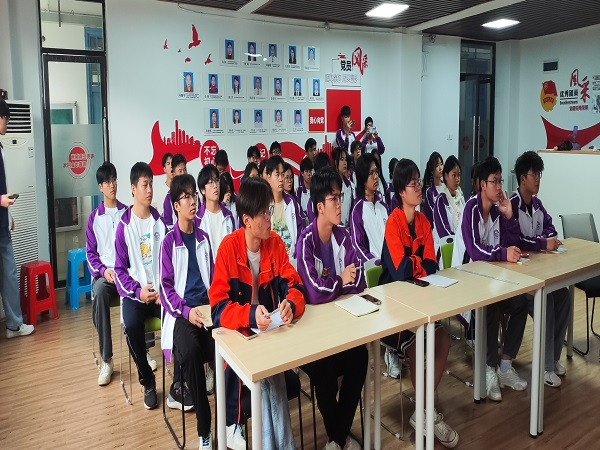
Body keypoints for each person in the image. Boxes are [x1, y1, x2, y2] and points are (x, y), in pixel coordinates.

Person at [209, 177, 305, 450]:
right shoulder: (228, 249)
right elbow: (218, 310)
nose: (269, 217)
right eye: (264, 212)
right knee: (266, 382)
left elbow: (295, 287)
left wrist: (291, 304)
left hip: (269, 336)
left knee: (269, 380)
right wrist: (251, 316)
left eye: (269, 210)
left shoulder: (275, 244)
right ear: (247, 220)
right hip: (239, 340)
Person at [379, 158, 458, 448]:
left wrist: (416, 263)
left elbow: (432, 264)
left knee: (443, 338)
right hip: (393, 308)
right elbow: (400, 272)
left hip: (421, 300)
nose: (419, 188)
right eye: (413, 184)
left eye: (419, 183)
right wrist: (418, 263)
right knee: (417, 343)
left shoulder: (423, 221)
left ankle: (423, 411)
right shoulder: (393, 223)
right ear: (401, 191)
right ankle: (427, 412)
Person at [295, 167, 367, 450]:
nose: (339, 204)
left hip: (340, 327)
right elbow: (313, 292)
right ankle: (340, 437)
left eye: (340, 197)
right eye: (333, 198)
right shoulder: (306, 241)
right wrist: (339, 280)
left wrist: (336, 284)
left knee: (360, 358)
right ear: (319, 207)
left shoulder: (344, 235)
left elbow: (359, 279)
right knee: (324, 373)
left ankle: (336, 438)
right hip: (311, 336)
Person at [452, 156, 529, 402]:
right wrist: (502, 254)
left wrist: (509, 216)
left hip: (491, 280)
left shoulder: (497, 210)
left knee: (522, 303)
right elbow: (475, 251)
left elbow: (512, 244)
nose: (499, 187)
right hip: (465, 282)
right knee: (492, 304)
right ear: (482, 185)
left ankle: (505, 366)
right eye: (494, 181)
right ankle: (489, 368)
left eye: (501, 181)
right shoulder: (470, 209)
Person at [160, 174, 215, 450]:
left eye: (194, 195)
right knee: (192, 352)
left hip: (206, 310)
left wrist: (214, 307)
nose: (193, 201)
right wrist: (186, 311)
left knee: (229, 346)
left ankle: (233, 421)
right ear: (176, 205)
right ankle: (205, 430)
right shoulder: (169, 242)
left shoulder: (204, 238)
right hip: (181, 315)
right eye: (186, 197)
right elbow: (165, 290)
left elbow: (214, 280)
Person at [511, 151, 570, 387]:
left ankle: (553, 358)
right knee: (546, 301)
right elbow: (517, 240)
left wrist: (542, 240)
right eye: (534, 174)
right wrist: (541, 243)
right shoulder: (512, 205)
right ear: (522, 178)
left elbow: (551, 228)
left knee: (563, 297)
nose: (538, 179)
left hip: (539, 272)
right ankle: (545, 369)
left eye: (539, 174)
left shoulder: (537, 204)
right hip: (520, 278)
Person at [114, 162, 166, 410]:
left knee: (179, 320)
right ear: (133, 189)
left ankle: (180, 381)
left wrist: (162, 291)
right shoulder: (124, 226)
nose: (149, 190)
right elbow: (120, 271)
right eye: (145, 185)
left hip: (159, 293)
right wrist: (137, 291)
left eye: (151, 184)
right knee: (132, 325)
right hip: (135, 295)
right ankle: (147, 380)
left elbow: (168, 264)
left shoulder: (160, 223)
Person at [86, 162, 127, 385]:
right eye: (107, 182)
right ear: (100, 187)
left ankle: (144, 351)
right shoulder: (94, 218)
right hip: (106, 277)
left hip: (127, 275)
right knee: (100, 291)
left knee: (146, 288)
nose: (112, 185)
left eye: (114, 180)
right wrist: (103, 271)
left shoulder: (127, 213)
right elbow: (91, 255)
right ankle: (107, 359)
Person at [0, 99, 34, 339]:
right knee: (9, 275)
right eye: (6, 118)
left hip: (2, 223)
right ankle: (13, 324)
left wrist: (8, 213)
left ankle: (13, 324)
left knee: (10, 275)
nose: (7, 123)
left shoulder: (0, 147)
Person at [350, 153, 388, 264]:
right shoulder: (357, 210)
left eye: (376, 172)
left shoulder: (383, 206)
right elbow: (358, 246)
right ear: (363, 178)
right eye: (371, 173)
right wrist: (375, 264)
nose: (376, 177)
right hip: (374, 268)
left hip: (391, 266)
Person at [196, 164, 236, 261]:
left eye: (216, 180)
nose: (215, 186)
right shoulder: (197, 220)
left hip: (228, 267)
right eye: (210, 182)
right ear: (202, 190)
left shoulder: (228, 216)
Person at [265, 156, 303, 259]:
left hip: (291, 260)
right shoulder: (264, 205)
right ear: (269, 178)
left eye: (282, 174)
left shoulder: (291, 202)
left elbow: (300, 230)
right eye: (277, 175)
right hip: (271, 260)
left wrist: (297, 254)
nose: (281, 179)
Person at [432, 155, 465, 266]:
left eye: (459, 175)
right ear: (446, 176)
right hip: (445, 249)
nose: (457, 179)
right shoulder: (441, 200)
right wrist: (460, 241)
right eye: (454, 175)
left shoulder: (460, 197)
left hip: (460, 246)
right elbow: (444, 233)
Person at [162, 153, 187, 230]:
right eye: (180, 171)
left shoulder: (194, 194)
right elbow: (167, 224)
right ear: (174, 173)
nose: (183, 173)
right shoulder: (169, 197)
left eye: (185, 170)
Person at [332, 148, 355, 227]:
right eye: (342, 160)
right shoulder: (330, 185)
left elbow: (352, 209)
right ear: (336, 162)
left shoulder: (350, 186)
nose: (345, 163)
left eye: (345, 160)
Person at [422, 152, 444, 227]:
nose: (440, 168)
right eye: (437, 166)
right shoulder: (430, 192)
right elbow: (432, 215)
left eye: (441, 164)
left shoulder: (446, 187)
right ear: (431, 170)